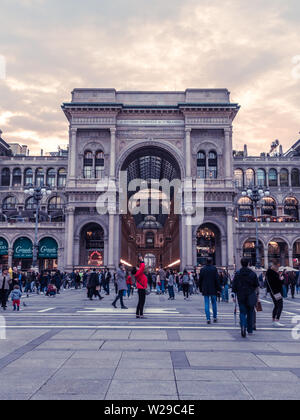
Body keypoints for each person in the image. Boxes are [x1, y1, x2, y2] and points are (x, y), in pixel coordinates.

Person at [232, 258, 259, 338]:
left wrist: (233, 294)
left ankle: (243, 325)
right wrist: (257, 295)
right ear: (248, 264)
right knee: (250, 312)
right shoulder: (252, 273)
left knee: (242, 312)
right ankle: (250, 330)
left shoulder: (238, 273)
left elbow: (234, 285)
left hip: (241, 295)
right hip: (250, 295)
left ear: (241, 263)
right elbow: (256, 285)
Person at [199, 257, 220, 324]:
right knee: (214, 303)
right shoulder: (214, 269)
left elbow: (200, 280)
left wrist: (200, 288)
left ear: (206, 262)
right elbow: (217, 280)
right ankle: (215, 317)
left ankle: (208, 318)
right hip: (213, 289)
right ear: (211, 262)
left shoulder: (202, 269)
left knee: (206, 304)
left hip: (205, 289)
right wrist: (218, 288)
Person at [266, 261, 285, 327]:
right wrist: (281, 279)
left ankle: (273, 320)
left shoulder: (269, 273)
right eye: (277, 267)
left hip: (273, 292)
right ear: (273, 266)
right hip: (276, 292)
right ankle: (276, 320)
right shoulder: (273, 274)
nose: (278, 268)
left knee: (276, 305)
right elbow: (277, 283)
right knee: (280, 305)